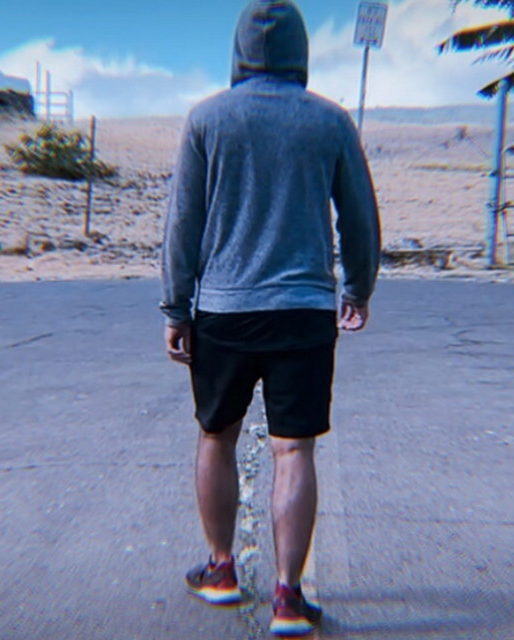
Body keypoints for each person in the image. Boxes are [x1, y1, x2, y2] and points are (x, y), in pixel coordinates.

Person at [160, 0, 380, 635]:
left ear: (239, 50)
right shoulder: (330, 120)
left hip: (224, 309)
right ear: (299, 51)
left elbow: (183, 221)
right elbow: (360, 216)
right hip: (303, 309)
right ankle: (288, 596)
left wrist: (176, 306)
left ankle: (222, 569)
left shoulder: (208, 119)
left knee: (217, 436)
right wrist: (358, 287)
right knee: (294, 449)